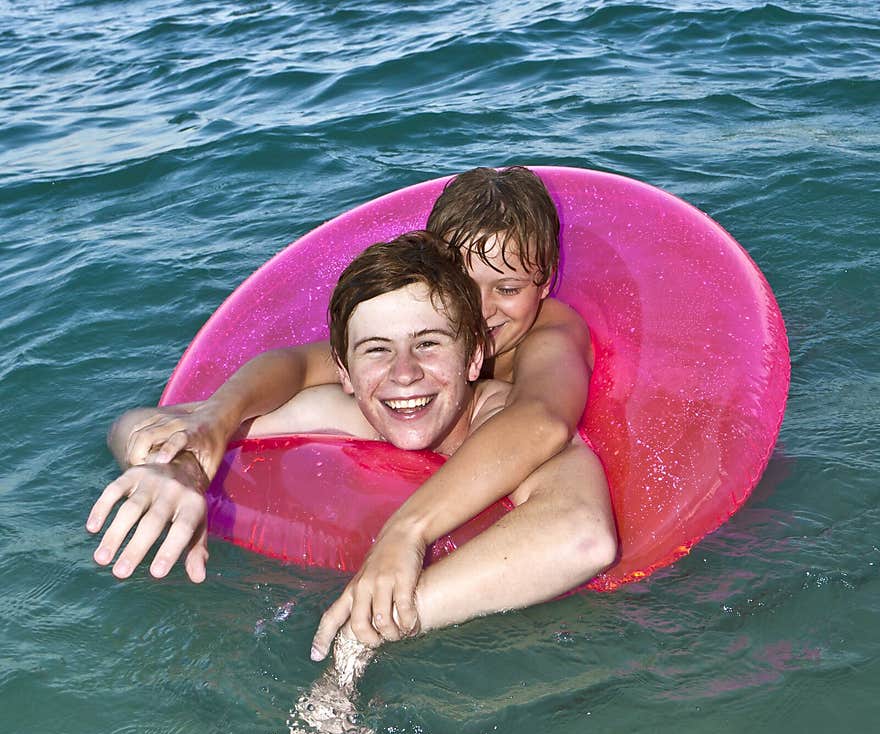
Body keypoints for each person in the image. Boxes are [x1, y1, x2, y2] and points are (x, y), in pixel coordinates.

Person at [92, 166, 613, 658]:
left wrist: (405, 532)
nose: (480, 308)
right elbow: (297, 366)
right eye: (462, 281)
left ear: (543, 286)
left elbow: (540, 419)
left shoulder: (549, 336)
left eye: (507, 288)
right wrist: (208, 430)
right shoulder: (406, 350)